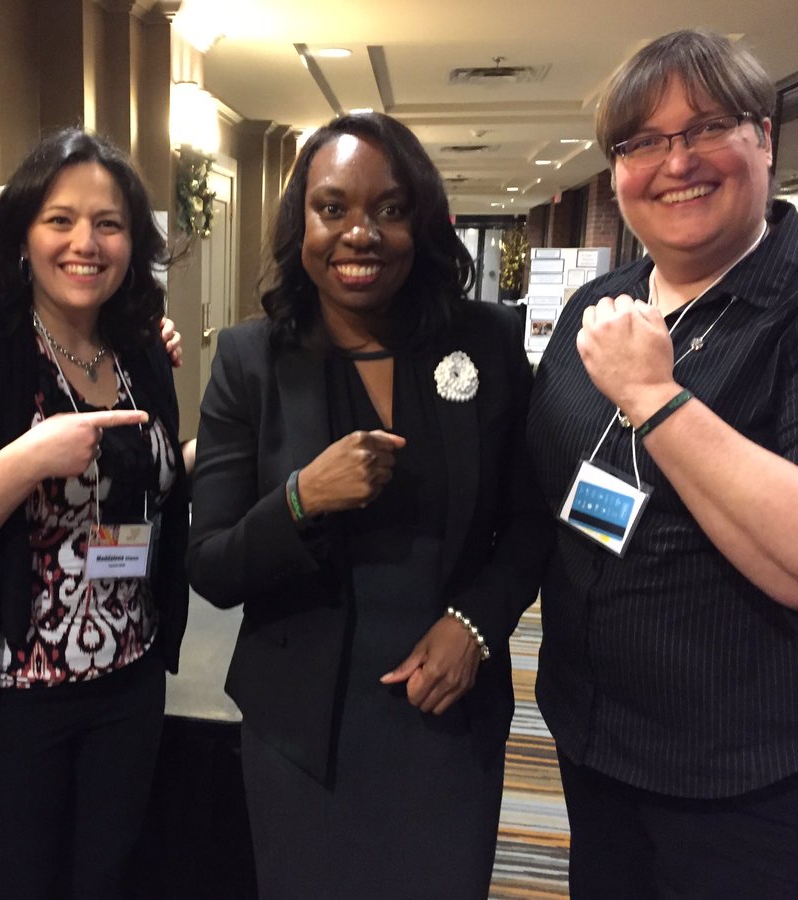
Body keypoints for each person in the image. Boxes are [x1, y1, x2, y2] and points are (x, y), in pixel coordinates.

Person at [187, 112, 552, 898]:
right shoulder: (252, 360)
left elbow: (530, 520)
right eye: (333, 208)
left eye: (389, 210)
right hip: (301, 730)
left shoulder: (486, 342)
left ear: (420, 222)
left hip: (447, 711)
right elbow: (212, 564)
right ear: (302, 223)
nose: (361, 233)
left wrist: (477, 624)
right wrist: (299, 500)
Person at [526, 29, 798, 898]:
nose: (675, 162)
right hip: (595, 742)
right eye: (642, 142)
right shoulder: (598, 302)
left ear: (765, 137)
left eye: (705, 128)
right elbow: (543, 492)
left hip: (754, 777)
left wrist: (656, 399)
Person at [0, 127, 190, 899]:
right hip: (1, 703)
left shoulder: (141, 349)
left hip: (125, 686)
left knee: (105, 881)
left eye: (109, 223)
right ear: (23, 232)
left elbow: (155, 487)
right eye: (60, 220)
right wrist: (29, 457)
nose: (84, 243)